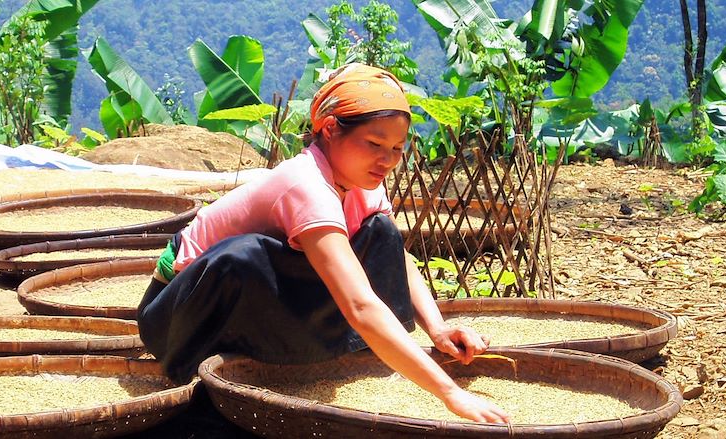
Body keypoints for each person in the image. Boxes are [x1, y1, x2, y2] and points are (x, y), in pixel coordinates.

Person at [138, 63, 510, 424]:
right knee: (244, 255)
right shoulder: (307, 187)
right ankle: (217, 375)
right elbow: (359, 306)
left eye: (397, 148)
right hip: (176, 316)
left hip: (264, 298)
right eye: (374, 143)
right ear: (331, 129)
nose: (387, 160)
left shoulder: (362, 182)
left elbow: (395, 256)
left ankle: (355, 358)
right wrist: (449, 393)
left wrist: (438, 328)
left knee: (380, 230)